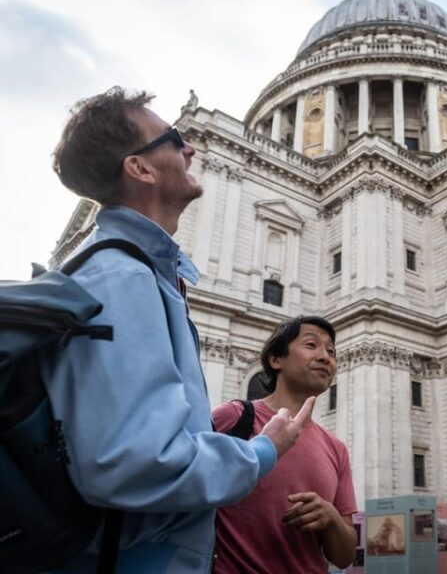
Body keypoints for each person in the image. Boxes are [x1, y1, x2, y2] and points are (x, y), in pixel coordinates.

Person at [44, 87, 313, 572]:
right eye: (173, 139)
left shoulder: (145, 275)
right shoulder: (122, 278)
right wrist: (264, 451)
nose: (190, 148)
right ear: (140, 169)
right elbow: (134, 463)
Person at [212, 315, 358, 573]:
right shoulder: (233, 418)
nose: (326, 357)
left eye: (331, 351)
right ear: (275, 359)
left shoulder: (337, 448)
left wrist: (331, 518)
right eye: (311, 345)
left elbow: (344, 557)